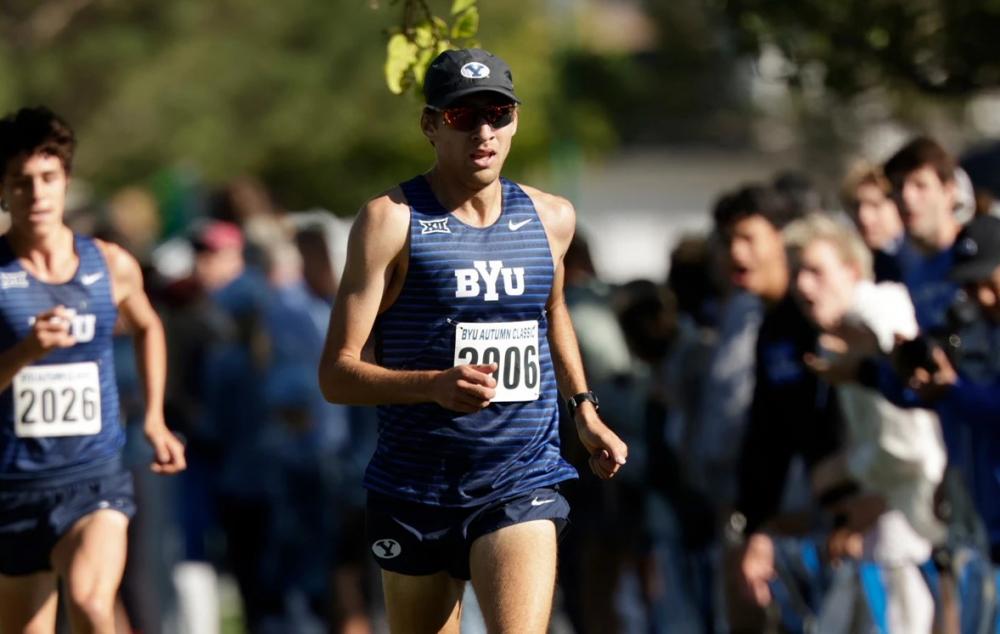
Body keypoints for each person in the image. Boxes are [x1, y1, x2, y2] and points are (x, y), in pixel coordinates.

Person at [318, 48, 627, 633]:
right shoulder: (392, 219)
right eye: (463, 117)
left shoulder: (552, 218)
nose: (484, 131)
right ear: (431, 124)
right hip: (415, 482)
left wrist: (583, 408)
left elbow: (552, 308)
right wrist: (433, 385)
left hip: (520, 474)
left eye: (499, 113)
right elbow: (336, 375)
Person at [0, 106, 186, 633]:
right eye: (21, 182)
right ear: (2, 188)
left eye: (48, 179)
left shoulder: (109, 264)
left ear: (65, 182)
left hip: (94, 477)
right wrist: (24, 352)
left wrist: (153, 417)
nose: (36, 195)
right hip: (13, 488)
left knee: (90, 602)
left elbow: (149, 326)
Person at [785, 213, 946, 632]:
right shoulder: (841, 336)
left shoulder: (875, 317)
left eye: (816, 271)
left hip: (913, 536)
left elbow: (915, 449)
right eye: (798, 273)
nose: (803, 286)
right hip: (893, 530)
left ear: (853, 271)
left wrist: (856, 488)